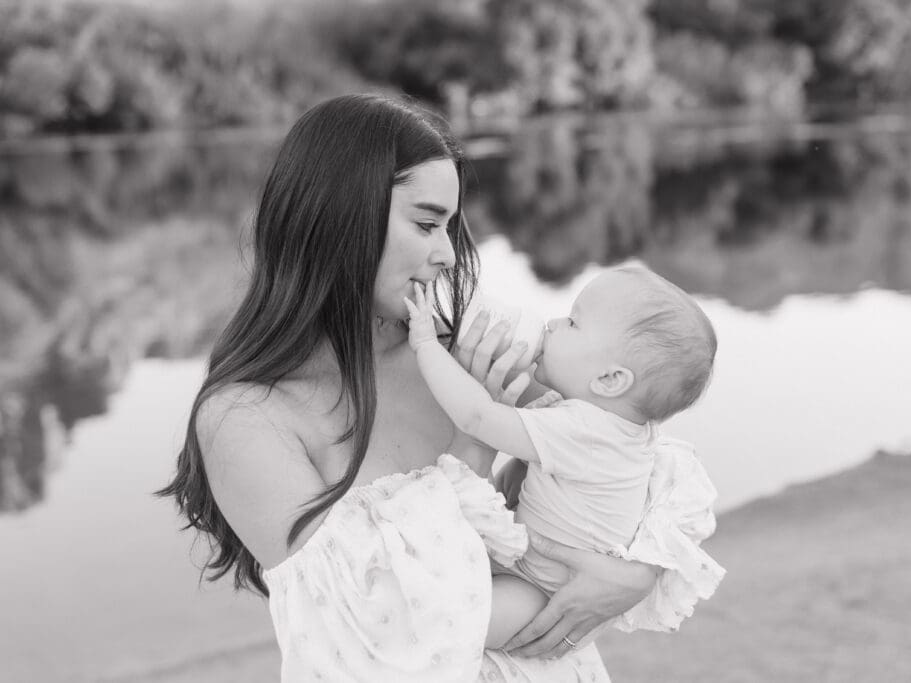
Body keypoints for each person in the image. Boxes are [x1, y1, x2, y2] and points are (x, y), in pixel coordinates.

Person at [159, 94, 716, 682]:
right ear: (338, 215)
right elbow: (373, 617)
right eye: (426, 223)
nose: (448, 254)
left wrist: (643, 570)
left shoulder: (463, 348)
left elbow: (633, 440)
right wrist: (475, 442)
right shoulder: (245, 418)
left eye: (449, 226)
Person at [404, 265, 725, 648]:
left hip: (538, 590)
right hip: (539, 568)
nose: (553, 323)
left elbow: (477, 416)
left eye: (573, 322)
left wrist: (425, 343)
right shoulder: (624, 431)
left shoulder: (583, 431)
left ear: (610, 380)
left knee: (450, 624)